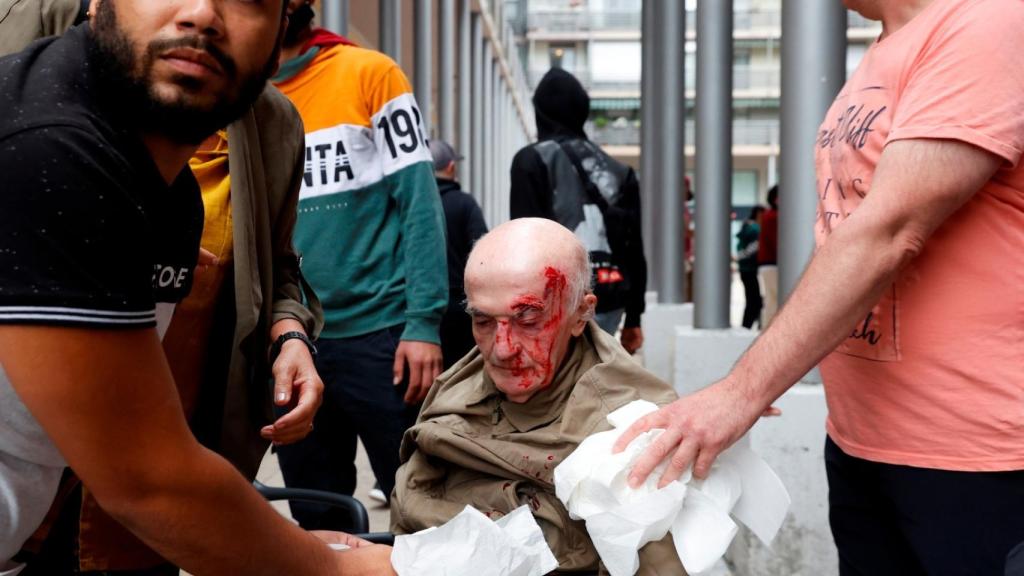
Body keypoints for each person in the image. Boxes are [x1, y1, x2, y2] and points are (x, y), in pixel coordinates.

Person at [617, 1, 1024, 574]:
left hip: (975, 458)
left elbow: (889, 230)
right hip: (860, 442)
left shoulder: (989, 20)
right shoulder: (885, 48)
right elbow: (841, 231)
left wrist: (742, 392)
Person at [0, 0, 393, 574]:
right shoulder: (50, 143)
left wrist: (289, 334)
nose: (203, 14)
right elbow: (149, 483)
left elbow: (277, 263)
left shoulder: (171, 192)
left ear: (282, 29)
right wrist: (333, 565)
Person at [391, 218, 684, 574]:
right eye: (483, 321)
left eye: (527, 320)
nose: (501, 350)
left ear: (581, 314)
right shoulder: (452, 394)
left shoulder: (635, 427)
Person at [271, 0, 448, 523]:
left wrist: (423, 322)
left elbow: (419, 202)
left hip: (383, 335)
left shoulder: (369, 72)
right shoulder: (238, 101)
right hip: (290, 340)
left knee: (422, 506)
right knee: (314, 511)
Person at [510, 68, 647, 355]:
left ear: (540, 111)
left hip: (554, 300)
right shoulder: (620, 172)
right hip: (609, 296)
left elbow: (524, 243)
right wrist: (634, 317)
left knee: (555, 387)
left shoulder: (531, 160)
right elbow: (634, 248)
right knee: (594, 375)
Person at [430, 139, 488, 369]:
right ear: (451, 167)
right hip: (458, 305)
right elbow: (482, 249)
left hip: (412, 306)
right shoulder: (464, 203)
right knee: (459, 370)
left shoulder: (408, 207)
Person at [735, 206, 763, 329]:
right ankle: (748, 325)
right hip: (750, 268)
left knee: (751, 299)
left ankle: (746, 325)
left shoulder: (746, 227)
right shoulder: (755, 229)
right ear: (758, 214)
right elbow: (754, 247)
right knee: (754, 300)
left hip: (744, 268)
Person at [756, 185, 779, 327]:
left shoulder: (769, 216)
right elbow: (777, 243)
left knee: (772, 299)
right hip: (771, 263)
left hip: (769, 264)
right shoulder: (772, 217)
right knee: (773, 300)